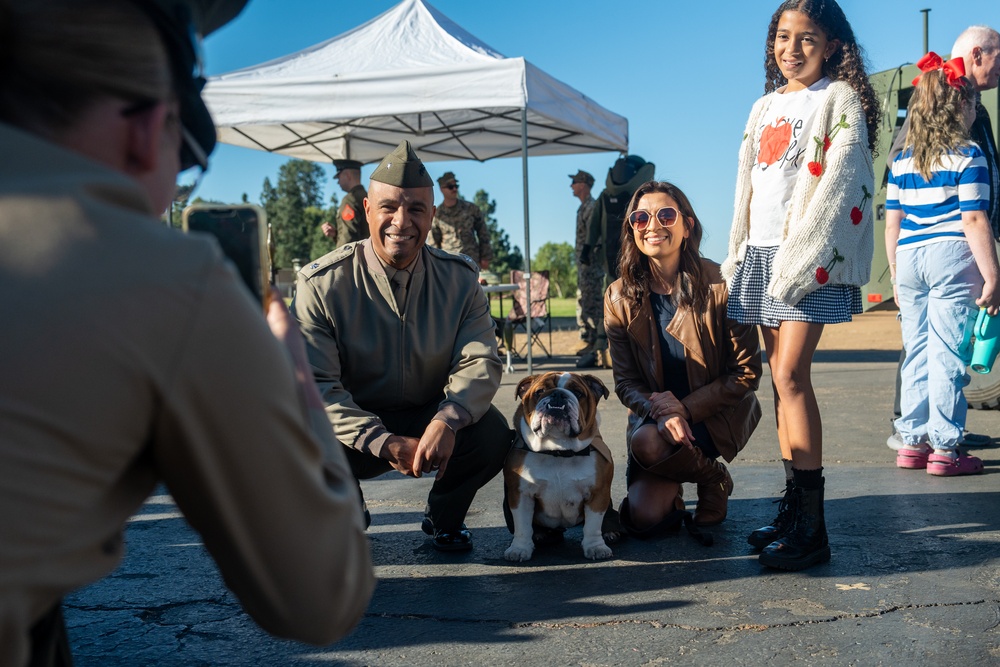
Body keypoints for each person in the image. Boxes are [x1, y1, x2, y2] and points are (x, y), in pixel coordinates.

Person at [0, 1, 374, 664]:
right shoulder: (168, 278)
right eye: (183, 163)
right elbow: (321, 596)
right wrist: (295, 383)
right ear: (150, 130)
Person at [721, 0, 880, 570]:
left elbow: (843, 180)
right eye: (783, 38)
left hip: (807, 257)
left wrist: (805, 254)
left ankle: (814, 529)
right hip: (762, 255)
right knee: (778, 382)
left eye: (807, 39)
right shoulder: (764, 105)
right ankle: (793, 510)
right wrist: (738, 253)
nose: (792, 49)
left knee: (792, 375)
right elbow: (746, 186)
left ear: (833, 44)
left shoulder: (836, 98)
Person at [293, 141, 511, 553]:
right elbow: (316, 386)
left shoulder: (459, 280)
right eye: (389, 207)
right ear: (367, 209)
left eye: (415, 209)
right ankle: (345, 518)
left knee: (491, 434)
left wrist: (448, 420)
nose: (401, 221)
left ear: (431, 215)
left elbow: (480, 361)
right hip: (352, 428)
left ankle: (444, 518)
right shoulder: (321, 284)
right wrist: (380, 440)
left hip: (430, 419)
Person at [605, 182, 762, 537]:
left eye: (666, 215)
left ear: (687, 226)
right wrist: (660, 409)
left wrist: (683, 410)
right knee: (645, 517)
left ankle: (703, 475)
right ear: (632, 230)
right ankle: (711, 476)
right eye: (641, 217)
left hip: (715, 415)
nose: (653, 225)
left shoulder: (723, 283)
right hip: (655, 421)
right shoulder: (617, 296)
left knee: (647, 443)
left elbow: (747, 372)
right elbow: (626, 383)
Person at [885, 26, 1000, 452]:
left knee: (918, 348)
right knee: (948, 351)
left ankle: (914, 438)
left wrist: (896, 271)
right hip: (953, 250)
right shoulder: (964, 148)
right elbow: (972, 217)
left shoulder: (907, 159)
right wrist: (992, 271)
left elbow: (892, 220)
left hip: (912, 253)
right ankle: (945, 445)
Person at [578, 155, 656, 369]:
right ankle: (628, 349)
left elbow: (593, 227)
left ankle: (602, 349)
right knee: (633, 301)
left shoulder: (605, 196)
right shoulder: (640, 195)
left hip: (611, 258)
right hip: (632, 258)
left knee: (611, 302)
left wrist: (586, 249)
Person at [430, 171, 493, 270]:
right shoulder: (437, 214)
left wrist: (485, 256)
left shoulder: (471, 208)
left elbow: (483, 233)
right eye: (450, 186)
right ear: (442, 189)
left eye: (456, 185)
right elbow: (433, 241)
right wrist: (434, 263)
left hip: (471, 260)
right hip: (448, 263)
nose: (454, 189)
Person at [570, 170, 603, 357]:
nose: (571, 186)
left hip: (590, 265)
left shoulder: (591, 206)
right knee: (585, 301)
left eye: (574, 182)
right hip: (585, 266)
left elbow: (594, 237)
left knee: (591, 303)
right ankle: (591, 341)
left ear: (583, 184)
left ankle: (595, 342)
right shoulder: (584, 207)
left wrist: (587, 259)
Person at [321, 158, 369, 247]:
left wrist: (340, 259)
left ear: (347, 175)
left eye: (338, 176)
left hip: (354, 259)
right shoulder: (368, 196)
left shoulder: (350, 199)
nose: (338, 181)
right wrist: (336, 235)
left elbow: (349, 239)